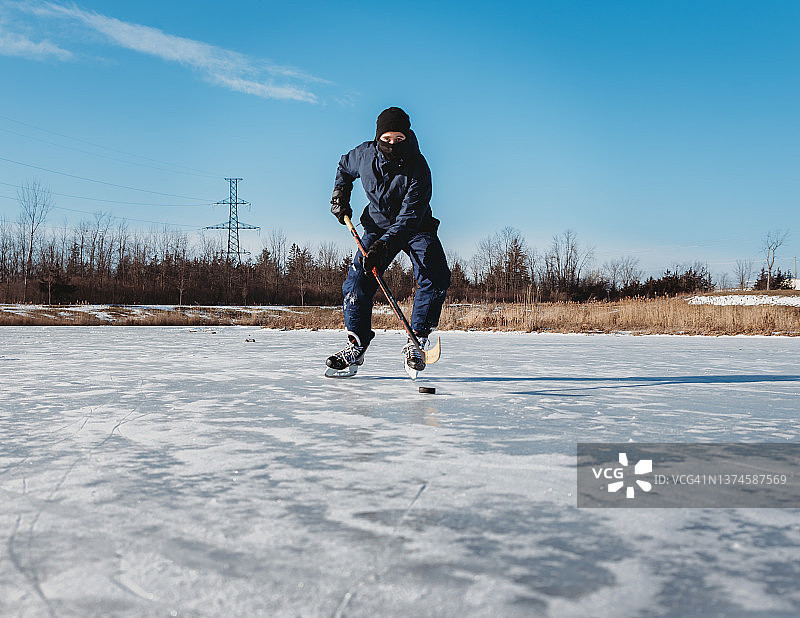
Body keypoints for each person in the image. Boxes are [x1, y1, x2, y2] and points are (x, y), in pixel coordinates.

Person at [326, 107, 450, 375]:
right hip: (376, 225)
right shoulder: (363, 154)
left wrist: (384, 247)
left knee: (435, 273)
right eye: (387, 138)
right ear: (378, 137)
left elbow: (409, 217)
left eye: (399, 139)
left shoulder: (419, 167)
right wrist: (340, 195)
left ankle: (416, 339)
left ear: (408, 137)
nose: (392, 144)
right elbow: (344, 168)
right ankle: (356, 344)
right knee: (358, 280)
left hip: (415, 226)